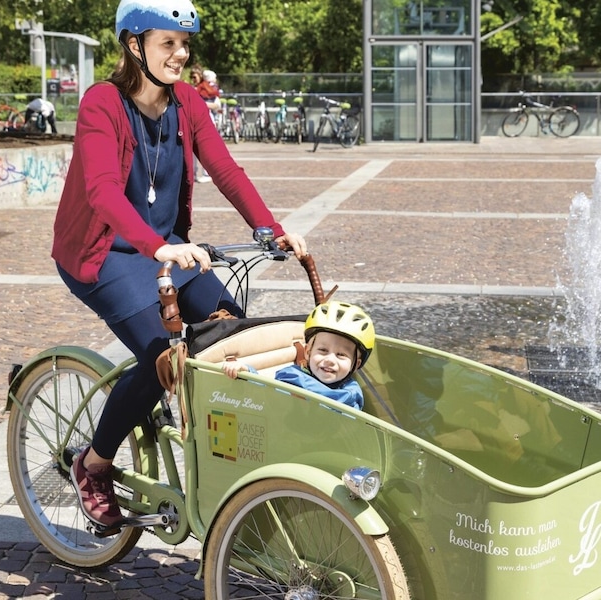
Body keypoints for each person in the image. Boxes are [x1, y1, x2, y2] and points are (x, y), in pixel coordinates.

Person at [52, 0, 307, 528]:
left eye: (184, 43)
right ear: (134, 44)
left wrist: (272, 229)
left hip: (166, 247)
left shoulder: (187, 102)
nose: (180, 53)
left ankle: (230, 471)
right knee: (163, 359)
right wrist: (156, 246)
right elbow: (101, 192)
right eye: (167, 42)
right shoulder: (102, 104)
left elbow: (226, 170)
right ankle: (94, 464)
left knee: (231, 335)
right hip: (103, 254)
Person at [222, 301, 374, 411]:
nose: (329, 360)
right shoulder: (292, 376)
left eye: (341, 355)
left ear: (356, 364)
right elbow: (268, 392)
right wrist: (247, 372)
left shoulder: (350, 393)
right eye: (322, 350)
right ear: (308, 352)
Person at [189, 64, 220, 183]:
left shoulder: (207, 88)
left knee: (205, 148)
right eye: (192, 76)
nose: (193, 79)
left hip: (206, 120)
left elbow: (216, 104)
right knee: (192, 149)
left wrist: (201, 104)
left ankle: (207, 173)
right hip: (193, 121)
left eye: (195, 76)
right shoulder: (192, 88)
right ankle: (193, 173)